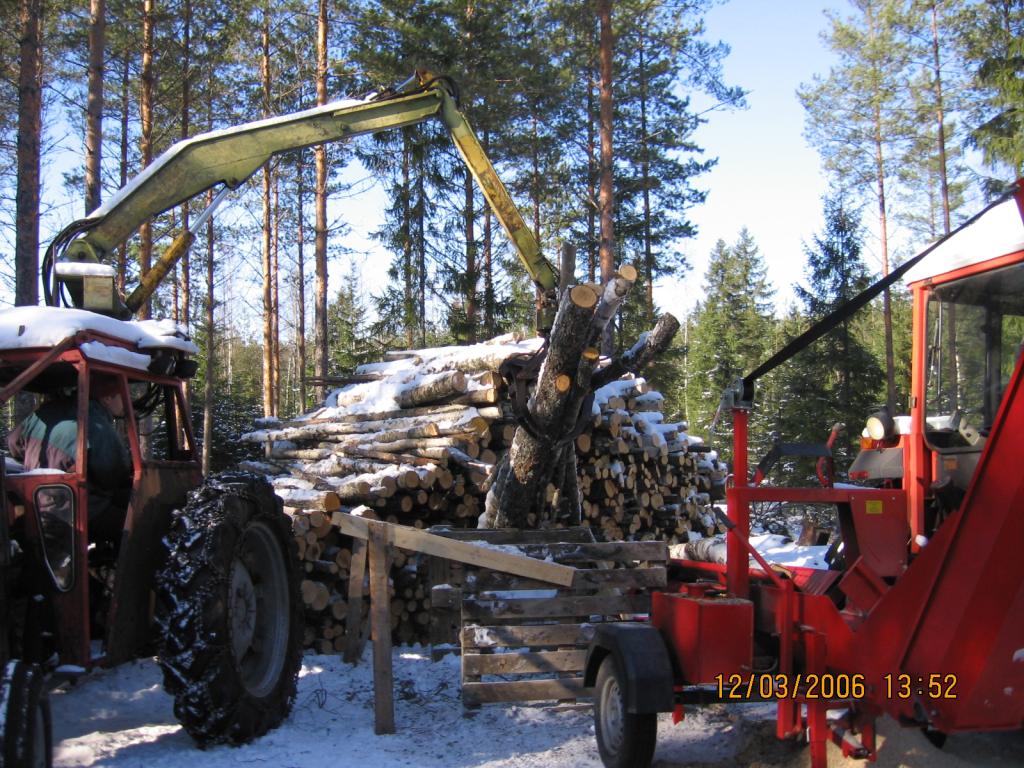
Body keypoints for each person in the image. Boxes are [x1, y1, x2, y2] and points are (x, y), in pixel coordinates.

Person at [7, 375, 132, 543]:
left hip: (35, 505)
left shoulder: (45, 411)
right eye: (123, 396)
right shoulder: (97, 425)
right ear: (107, 397)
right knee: (136, 523)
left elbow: (13, 441)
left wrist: (35, 459)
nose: (127, 402)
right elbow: (113, 474)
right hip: (75, 512)